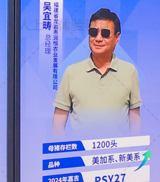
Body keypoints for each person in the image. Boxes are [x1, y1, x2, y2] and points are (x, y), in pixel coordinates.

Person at [53, 8, 141, 138]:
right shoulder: (71, 72)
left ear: (117, 37)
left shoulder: (129, 71)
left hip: (118, 151)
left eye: (105, 33)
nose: (98, 38)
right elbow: (57, 126)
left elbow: (135, 123)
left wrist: (135, 148)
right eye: (93, 32)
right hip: (81, 151)